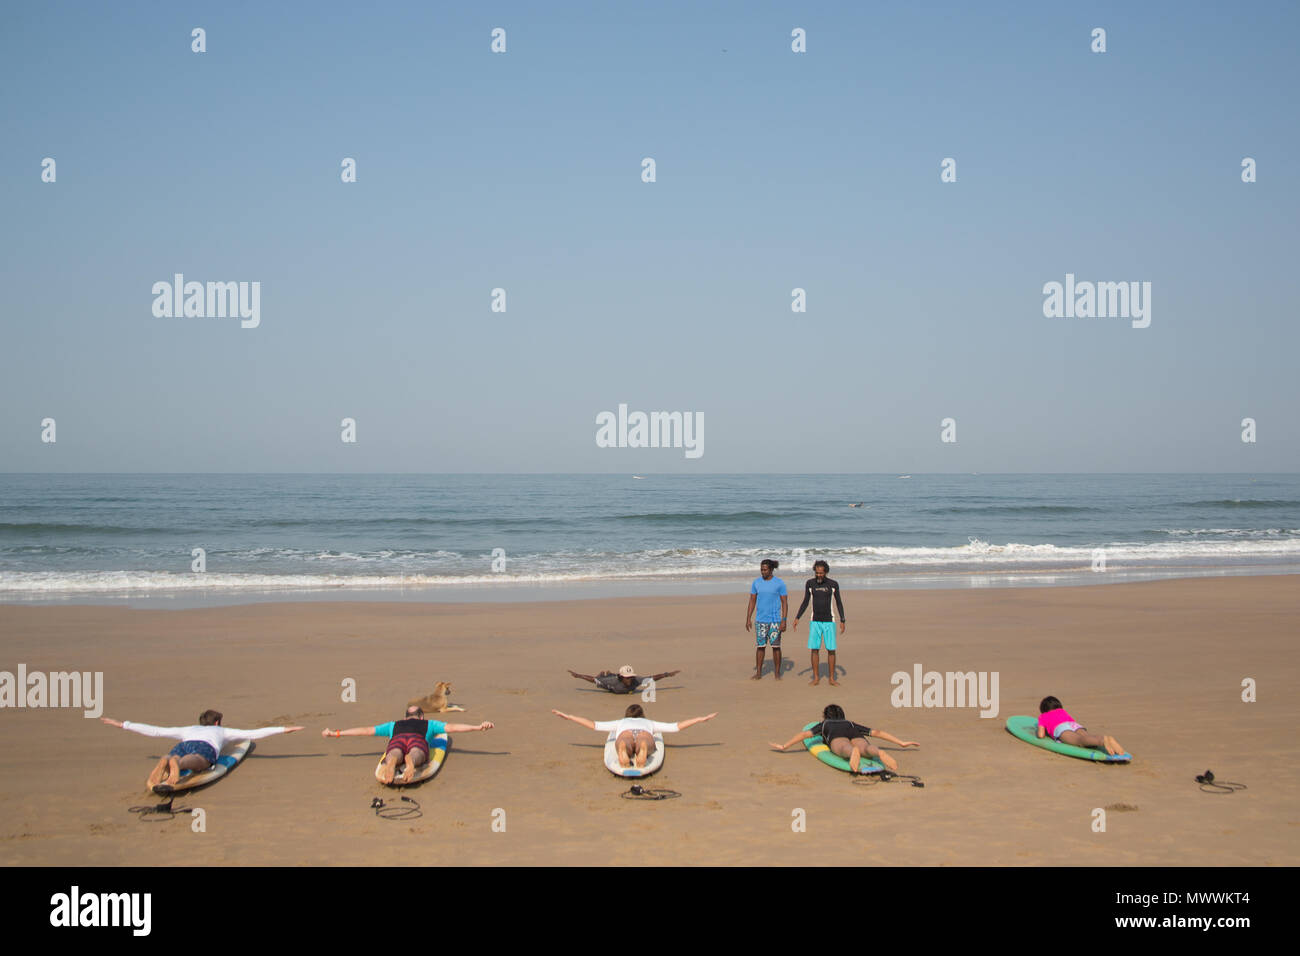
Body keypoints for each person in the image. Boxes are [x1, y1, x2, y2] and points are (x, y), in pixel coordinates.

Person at [100, 710, 304, 788]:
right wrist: (285, 729)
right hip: (205, 748)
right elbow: (253, 734)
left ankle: (169, 758)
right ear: (216, 723)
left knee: (180, 752)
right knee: (199, 761)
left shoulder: (187, 729)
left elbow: (156, 731)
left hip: (183, 744)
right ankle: (176, 763)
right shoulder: (222, 731)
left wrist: (122, 724)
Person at [322, 705, 495, 783]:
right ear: (421, 717)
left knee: (395, 751)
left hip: (398, 738)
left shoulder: (393, 725)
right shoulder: (429, 724)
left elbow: (366, 730)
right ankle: (411, 761)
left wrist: (336, 733)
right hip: (416, 740)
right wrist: (478, 727)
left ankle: (392, 762)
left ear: (405, 717)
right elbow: (453, 727)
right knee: (416, 752)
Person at [551, 703, 717, 769]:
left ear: (627, 715)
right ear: (642, 715)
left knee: (623, 741)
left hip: (626, 733)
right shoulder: (650, 723)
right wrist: (700, 719)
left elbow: (593, 725)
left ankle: (624, 748)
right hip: (645, 733)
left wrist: (569, 716)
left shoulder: (620, 722)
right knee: (644, 740)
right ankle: (643, 748)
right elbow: (676, 727)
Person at [768, 703, 918, 773]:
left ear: (826, 716)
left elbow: (805, 734)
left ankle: (852, 752)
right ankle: (877, 751)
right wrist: (901, 742)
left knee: (844, 747)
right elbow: (876, 732)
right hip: (853, 732)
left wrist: (784, 746)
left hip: (835, 735)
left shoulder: (825, 724)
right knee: (865, 747)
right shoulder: (850, 722)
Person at [791, 560, 846, 686]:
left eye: (821, 573)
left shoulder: (833, 584)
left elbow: (839, 602)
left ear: (825, 572)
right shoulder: (810, 584)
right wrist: (797, 617)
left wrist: (842, 620)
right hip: (815, 621)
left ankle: (831, 678)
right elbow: (805, 601)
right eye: (817, 573)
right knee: (814, 649)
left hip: (829, 621)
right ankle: (816, 678)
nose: (819, 575)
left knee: (831, 649)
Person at [1036, 696, 1125, 755]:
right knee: (1087, 736)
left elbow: (1041, 735)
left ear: (1043, 709)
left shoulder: (1043, 716)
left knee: (1079, 741)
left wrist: (1042, 731)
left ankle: (1103, 742)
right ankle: (1104, 738)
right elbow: (1070, 721)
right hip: (1074, 725)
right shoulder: (1062, 711)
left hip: (1061, 728)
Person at [745, 558, 787, 680]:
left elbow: (785, 602)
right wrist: (748, 618)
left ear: (771, 570)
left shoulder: (779, 583)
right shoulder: (756, 583)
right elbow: (752, 600)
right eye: (761, 569)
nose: (763, 572)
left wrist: (783, 620)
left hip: (775, 621)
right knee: (760, 647)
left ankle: (777, 673)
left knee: (776, 647)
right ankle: (758, 673)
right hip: (760, 621)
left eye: (765, 570)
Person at [567, 664, 681, 694]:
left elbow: (651, 678)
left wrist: (667, 674)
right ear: (621, 677)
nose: (630, 679)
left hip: (622, 688)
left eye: (631, 677)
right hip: (610, 688)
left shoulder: (637, 679)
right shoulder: (613, 681)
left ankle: (607, 672)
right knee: (600, 678)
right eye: (627, 678)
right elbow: (592, 679)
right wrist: (578, 676)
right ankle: (604, 673)